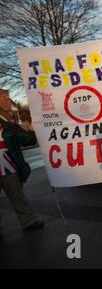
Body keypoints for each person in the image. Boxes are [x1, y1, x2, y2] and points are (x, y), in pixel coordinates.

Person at [0, 89, 44, 239]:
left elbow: (26, 140)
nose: (7, 100)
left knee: (17, 195)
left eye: (8, 97)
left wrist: (29, 130)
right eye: (3, 98)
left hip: (8, 167)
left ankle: (28, 221)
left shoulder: (8, 122)